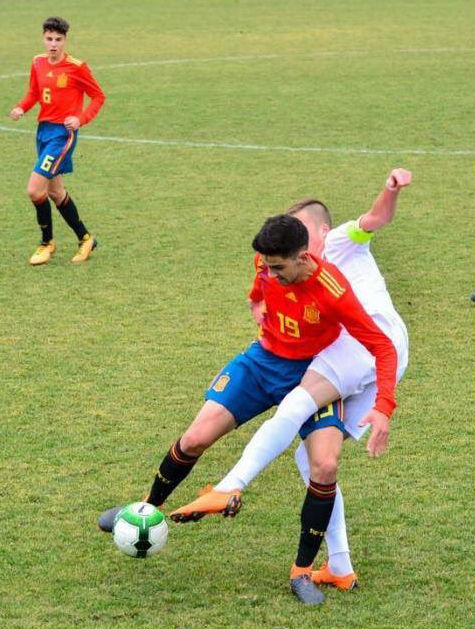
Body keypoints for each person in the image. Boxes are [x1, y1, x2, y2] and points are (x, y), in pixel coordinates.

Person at [99, 206, 401, 605]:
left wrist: (383, 406)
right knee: (194, 438)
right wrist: (256, 299)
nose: (270, 273)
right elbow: (259, 285)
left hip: (313, 374)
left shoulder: (334, 290)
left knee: (324, 466)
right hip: (261, 363)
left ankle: (302, 571)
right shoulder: (266, 260)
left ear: (303, 257)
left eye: (279, 269)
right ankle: (145, 509)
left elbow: (382, 345)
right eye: (267, 266)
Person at [172, 169, 411, 604]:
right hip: (372, 355)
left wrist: (391, 188)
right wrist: (260, 301)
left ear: (318, 233)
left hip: (368, 346)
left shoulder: (339, 243)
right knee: (318, 463)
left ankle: (231, 484)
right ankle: (339, 567)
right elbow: (263, 284)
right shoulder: (288, 265)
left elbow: (377, 217)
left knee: (295, 406)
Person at [9, 16, 106, 265]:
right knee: (55, 191)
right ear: (43, 38)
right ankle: (85, 238)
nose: (53, 44)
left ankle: (46, 243)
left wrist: (80, 118)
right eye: (49, 39)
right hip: (43, 131)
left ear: (65, 41)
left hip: (62, 135)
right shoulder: (37, 62)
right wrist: (22, 108)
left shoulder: (77, 67)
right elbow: (34, 92)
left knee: (34, 189)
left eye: (58, 40)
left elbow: (98, 96)